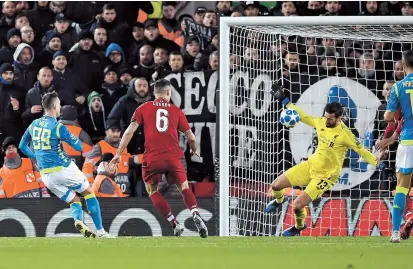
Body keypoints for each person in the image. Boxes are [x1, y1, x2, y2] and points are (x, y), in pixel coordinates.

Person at [267, 84, 382, 236]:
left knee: (297, 205)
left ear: (340, 118)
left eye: (330, 119)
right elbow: (302, 115)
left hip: (325, 177)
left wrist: (377, 162)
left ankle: (299, 226)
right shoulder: (321, 121)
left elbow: (361, 151)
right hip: (310, 165)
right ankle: (279, 200)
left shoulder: (346, 134)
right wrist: (284, 100)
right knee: (275, 185)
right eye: (325, 117)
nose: (326, 121)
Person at [110, 79, 208, 238]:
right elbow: (190, 136)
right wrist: (193, 149)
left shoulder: (143, 108)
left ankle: (174, 223)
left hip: (152, 158)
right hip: (173, 158)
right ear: (168, 92)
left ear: (154, 93)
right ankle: (195, 212)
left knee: (152, 190)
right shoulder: (176, 110)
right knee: (184, 187)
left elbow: (129, 132)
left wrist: (118, 153)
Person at [19, 92, 114, 238]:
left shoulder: (34, 124)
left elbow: (22, 145)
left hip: (46, 175)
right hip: (63, 168)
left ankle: (78, 221)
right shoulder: (58, 127)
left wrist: (35, 156)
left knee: (74, 200)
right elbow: (77, 147)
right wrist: (74, 139)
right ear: (55, 106)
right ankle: (101, 232)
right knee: (89, 194)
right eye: (59, 105)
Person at [384, 50, 413, 243]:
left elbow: (388, 117)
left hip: (408, 140)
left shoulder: (398, 87)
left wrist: (395, 115)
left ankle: (395, 232)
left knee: (402, 187)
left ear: (403, 65)